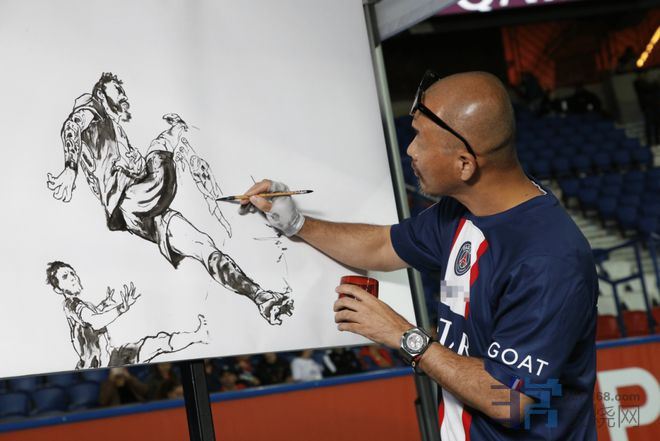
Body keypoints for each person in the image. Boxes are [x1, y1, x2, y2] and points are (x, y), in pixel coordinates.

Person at [240, 71, 598, 439]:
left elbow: (509, 399)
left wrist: (403, 335)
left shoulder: (549, 261)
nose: (410, 150)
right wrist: (296, 222)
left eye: (420, 139)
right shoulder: (462, 211)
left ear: (465, 164)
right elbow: (381, 245)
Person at [46, 73, 293, 326]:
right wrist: (70, 168)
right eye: (117, 89)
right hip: (129, 199)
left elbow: (126, 167)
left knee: (202, 245)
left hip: (138, 212)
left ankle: (260, 298)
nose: (123, 94)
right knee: (157, 152)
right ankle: (174, 134)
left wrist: (135, 166)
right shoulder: (92, 109)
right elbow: (71, 127)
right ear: (101, 93)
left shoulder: (114, 130)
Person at [46, 261, 208, 369]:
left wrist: (106, 304)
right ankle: (198, 336)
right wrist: (120, 309)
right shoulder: (71, 304)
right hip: (99, 365)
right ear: (58, 289)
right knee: (156, 344)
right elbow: (95, 321)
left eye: (72, 273)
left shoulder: (81, 304)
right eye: (65, 277)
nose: (73, 278)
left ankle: (198, 335)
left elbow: (92, 317)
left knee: (157, 342)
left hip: (112, 357)